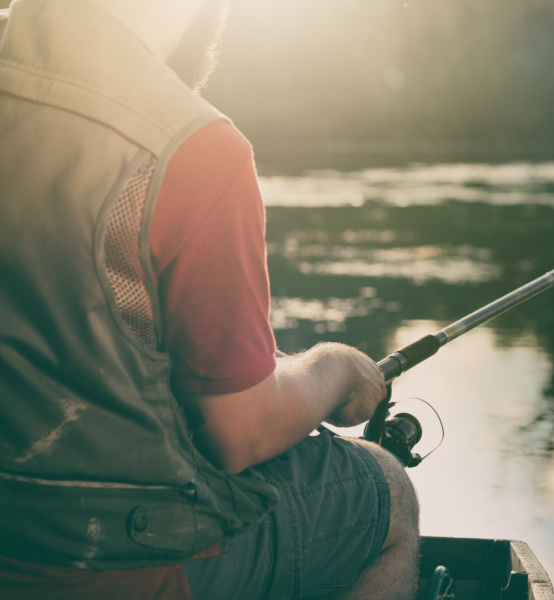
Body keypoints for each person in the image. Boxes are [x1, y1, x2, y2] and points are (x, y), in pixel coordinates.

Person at [0, 0, 419, 598]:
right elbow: (239, 435)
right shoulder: (193, 147)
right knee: (388, 492)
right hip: (110, 571)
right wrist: (334, 369)